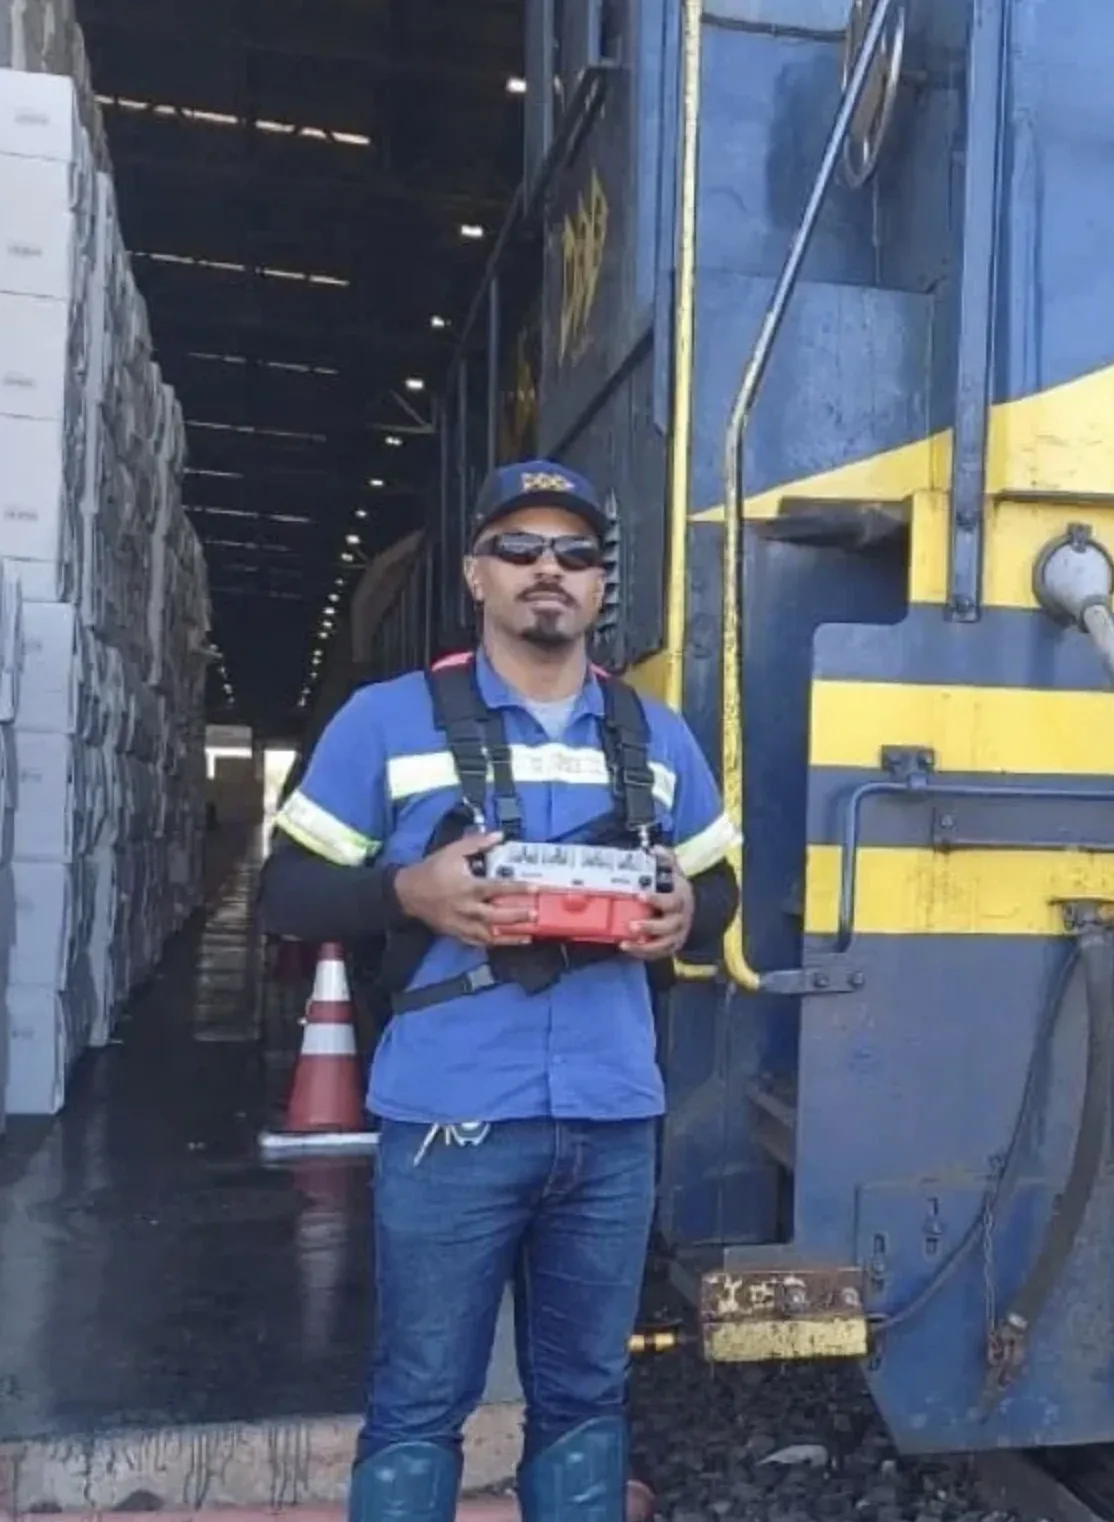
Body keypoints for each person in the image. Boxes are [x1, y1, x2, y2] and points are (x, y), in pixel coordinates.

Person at [257, 460, 739, 1522]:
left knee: (587, 1402)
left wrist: (685, 915)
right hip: (450, 1120)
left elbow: (717, 883)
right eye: (518, 548)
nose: (547, 568)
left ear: (601, 585)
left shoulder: (655, 735)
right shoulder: (385, 721)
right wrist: (410, 891)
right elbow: (284, 892)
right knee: (421, 1402)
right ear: (477, 574)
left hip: (611, 1120)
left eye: (575, 553)